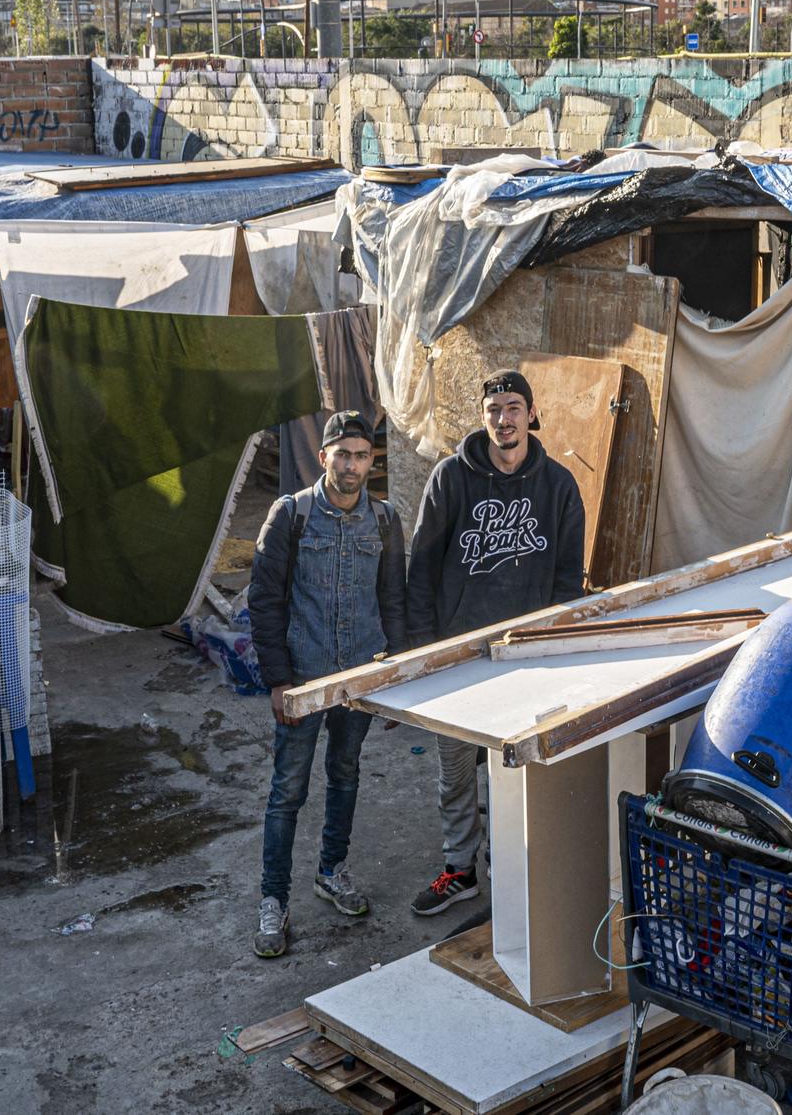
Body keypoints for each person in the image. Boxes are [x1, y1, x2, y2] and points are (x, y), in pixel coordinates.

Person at [405, 370, 586, 915]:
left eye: (513, 408)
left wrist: (552, 650)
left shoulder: (558, 487)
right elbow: (423, 567)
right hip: (458, 654)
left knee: (518, 771)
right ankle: (461, 871)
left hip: (525, 657)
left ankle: (514, 871)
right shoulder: (450, 479)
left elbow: (565, 580)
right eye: (493, 410)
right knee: (455, 771)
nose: (503, 420)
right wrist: (423, 650)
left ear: (531, 414)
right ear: (482, 417)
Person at [247, 410, 406, 958]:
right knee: (287, 790)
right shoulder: (290, 515)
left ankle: (332, 870)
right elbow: (263, 602)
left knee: (345, 775)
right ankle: (273, 900)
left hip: (358, 679)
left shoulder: (384, 521)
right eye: (342, 454)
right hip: (304, 679)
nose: (352, 465)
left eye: (362, 456)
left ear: (371, 461)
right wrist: (278, 681)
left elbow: (394, 601)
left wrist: (394, 675)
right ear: (324, 458)